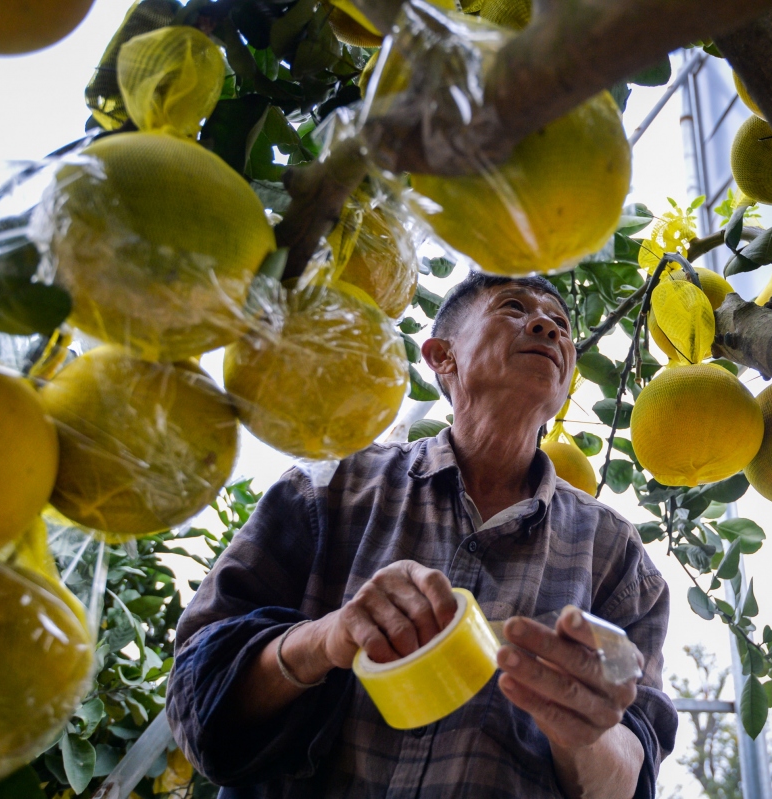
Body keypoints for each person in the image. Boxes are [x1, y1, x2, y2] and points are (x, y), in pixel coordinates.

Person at [167, 272, 677, 799]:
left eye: (562, 325)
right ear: (441, 357)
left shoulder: (617, 557)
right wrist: (328, 638)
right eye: (513, 308)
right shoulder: (328, 488)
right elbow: (193, 696)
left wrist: (585, 733)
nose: (548, 326)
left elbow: (633, 770)